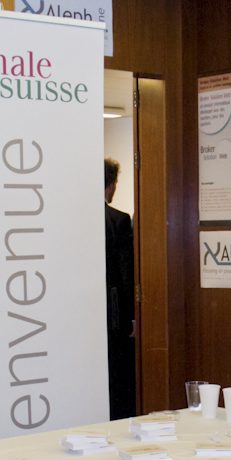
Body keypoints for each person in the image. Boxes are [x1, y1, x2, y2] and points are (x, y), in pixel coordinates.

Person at [104, 158, 137, 420]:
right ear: (112, 184)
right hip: (115, 316)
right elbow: (126, 274)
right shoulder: (119, 220)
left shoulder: (74, 221)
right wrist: (132, 318)